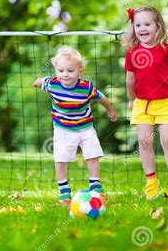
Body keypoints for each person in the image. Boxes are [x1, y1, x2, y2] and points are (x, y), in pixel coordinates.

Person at [123, 6, 168, 200]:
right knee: (144, 142)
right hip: (143, 104)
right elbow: (130, 80)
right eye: (138, 25)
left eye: (147, 24)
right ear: (133, 28)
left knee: (167, 141)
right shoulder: (132, 52)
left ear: (158, 26)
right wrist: (131, 100)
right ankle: (151, 181)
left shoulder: (167, 50)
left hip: (166, 103)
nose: (142, 28)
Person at [33, 46, 117, 205]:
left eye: (70, 71)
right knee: (61, 159)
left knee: (93, 155)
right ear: (56, 71)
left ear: (80, 71)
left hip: (85, 128)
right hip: (63, 130)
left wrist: (111, 111)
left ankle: (95, 186)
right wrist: (37, 82)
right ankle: (64, 191)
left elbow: (102, 98)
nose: (65, 74)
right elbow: (39, 82)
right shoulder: (52, 84)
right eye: (61, 70)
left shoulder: (86, 87)